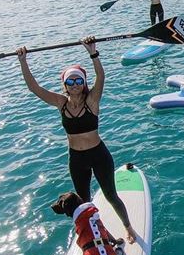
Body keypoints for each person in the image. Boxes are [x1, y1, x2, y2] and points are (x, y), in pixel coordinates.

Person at [16, 37, 138, 244]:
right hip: (77, 159)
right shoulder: (60, 102)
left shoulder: (92, 101)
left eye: (78, 80)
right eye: (70, 81)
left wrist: (93, 53)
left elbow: (101, 77)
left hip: (99, 155)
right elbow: (34, 88)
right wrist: (23, 61)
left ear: (83, 83)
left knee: (111, 196)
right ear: (64, 84)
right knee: (85, 203)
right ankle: (105, 235)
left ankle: (128, 227)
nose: (74, 85)